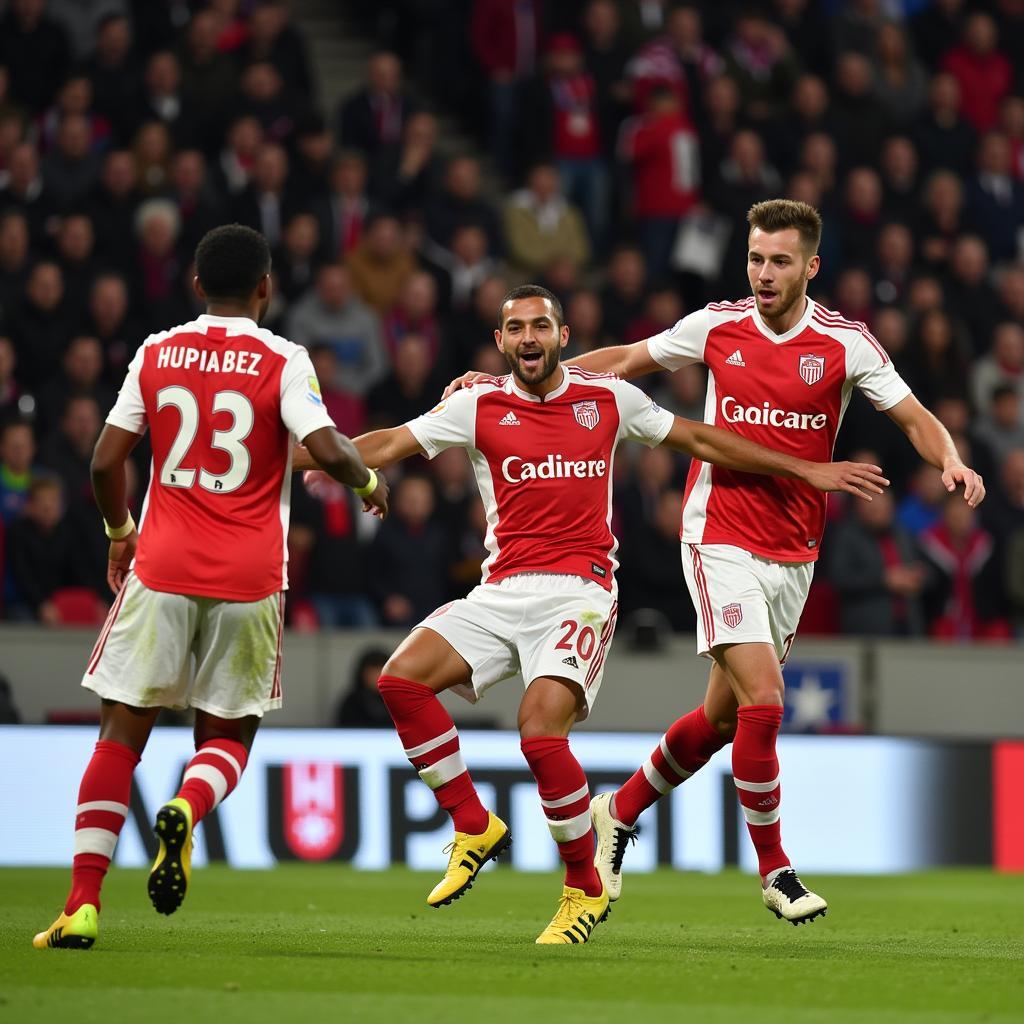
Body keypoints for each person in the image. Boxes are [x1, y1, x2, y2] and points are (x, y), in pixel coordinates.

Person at [443, 200, 985, 925]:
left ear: (810, 267)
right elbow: (626, 363)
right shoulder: (716, 325)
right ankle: (776, 870)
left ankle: (619, 810)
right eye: (757, 258)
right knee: (764, 700)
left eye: (780, 261)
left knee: (722, 718)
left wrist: (949, 458)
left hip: (794, 552)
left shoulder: (846, 344)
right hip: (718, 534)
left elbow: (914, 416)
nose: (764, 273)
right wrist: (515, 385)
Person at [304, 283, 887, 944]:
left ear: (563, 337)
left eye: (541, 326)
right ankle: (473, 825)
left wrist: (802, 470)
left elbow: (703, 438)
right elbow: (383, 444)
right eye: (515, 328)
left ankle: (582, 887)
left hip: (580, 590)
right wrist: (280, 459)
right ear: (499, 342)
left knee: (538, 731)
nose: (529, 338)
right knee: (400, 680)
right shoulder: (476, 404)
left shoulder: (609, 399)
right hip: (501, 590)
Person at [33, 224, 388, 951]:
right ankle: (188, 811)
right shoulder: (284, 358)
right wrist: (369, 481)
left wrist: (119, 530)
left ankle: (82, 904)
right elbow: (326, 447)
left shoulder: (157, 351)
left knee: (119, 736)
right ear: (266, 287)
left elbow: (105, 460)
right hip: (249, 581)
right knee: (226, 736)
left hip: (158, 570)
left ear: (196, 284)